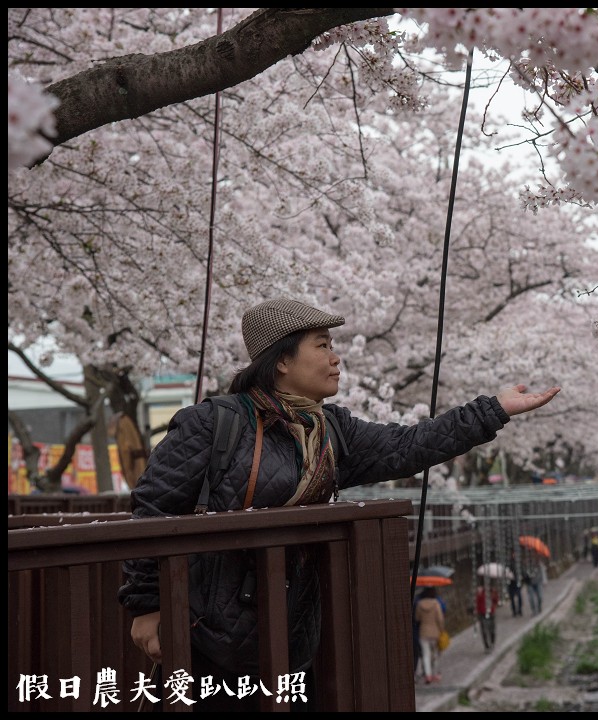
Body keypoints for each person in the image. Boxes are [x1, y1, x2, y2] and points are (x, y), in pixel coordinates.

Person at [117, 297, 560, 710]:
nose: (336, 357)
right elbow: (152, 509)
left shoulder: (332, 431)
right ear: (282, 360)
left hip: (298, 632)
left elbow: (408, 445)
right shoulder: (212, 424)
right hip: (210, 637)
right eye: (323, 345)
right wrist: (146, 607)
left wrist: (492, 410)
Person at [414, 587, 445, 684]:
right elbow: (440, 619)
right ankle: (435, 673)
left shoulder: (419, 604)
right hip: (435, 632)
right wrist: (441, 629)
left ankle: (428, 675)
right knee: (435, 654)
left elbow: (417, 618)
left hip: (423, 632)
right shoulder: (436, 604)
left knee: (425, 655)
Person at [474, 584, 500, 652]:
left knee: (492, 630)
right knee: (484, 631)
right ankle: (487, 646)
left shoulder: (493, 591)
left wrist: (494, 597)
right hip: (482, 614)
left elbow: (496, 601)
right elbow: (477, 602)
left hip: (491, 613)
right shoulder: (480, 592)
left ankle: (492, 643)